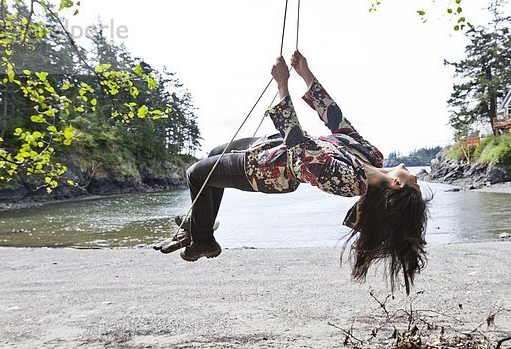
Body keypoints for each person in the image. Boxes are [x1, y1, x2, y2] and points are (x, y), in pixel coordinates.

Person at [161, 50, 429, 295]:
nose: (417, 178)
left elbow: (300, 149)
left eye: (414, 184)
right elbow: (337, 121)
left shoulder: (349, 183)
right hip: (271, 145)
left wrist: (282, 84)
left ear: (396, 184)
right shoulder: (372, 156)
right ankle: (200, 226)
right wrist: (305, 74)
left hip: (266, 170)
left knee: (197, 174)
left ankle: (204, 240)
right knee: (212, 158)